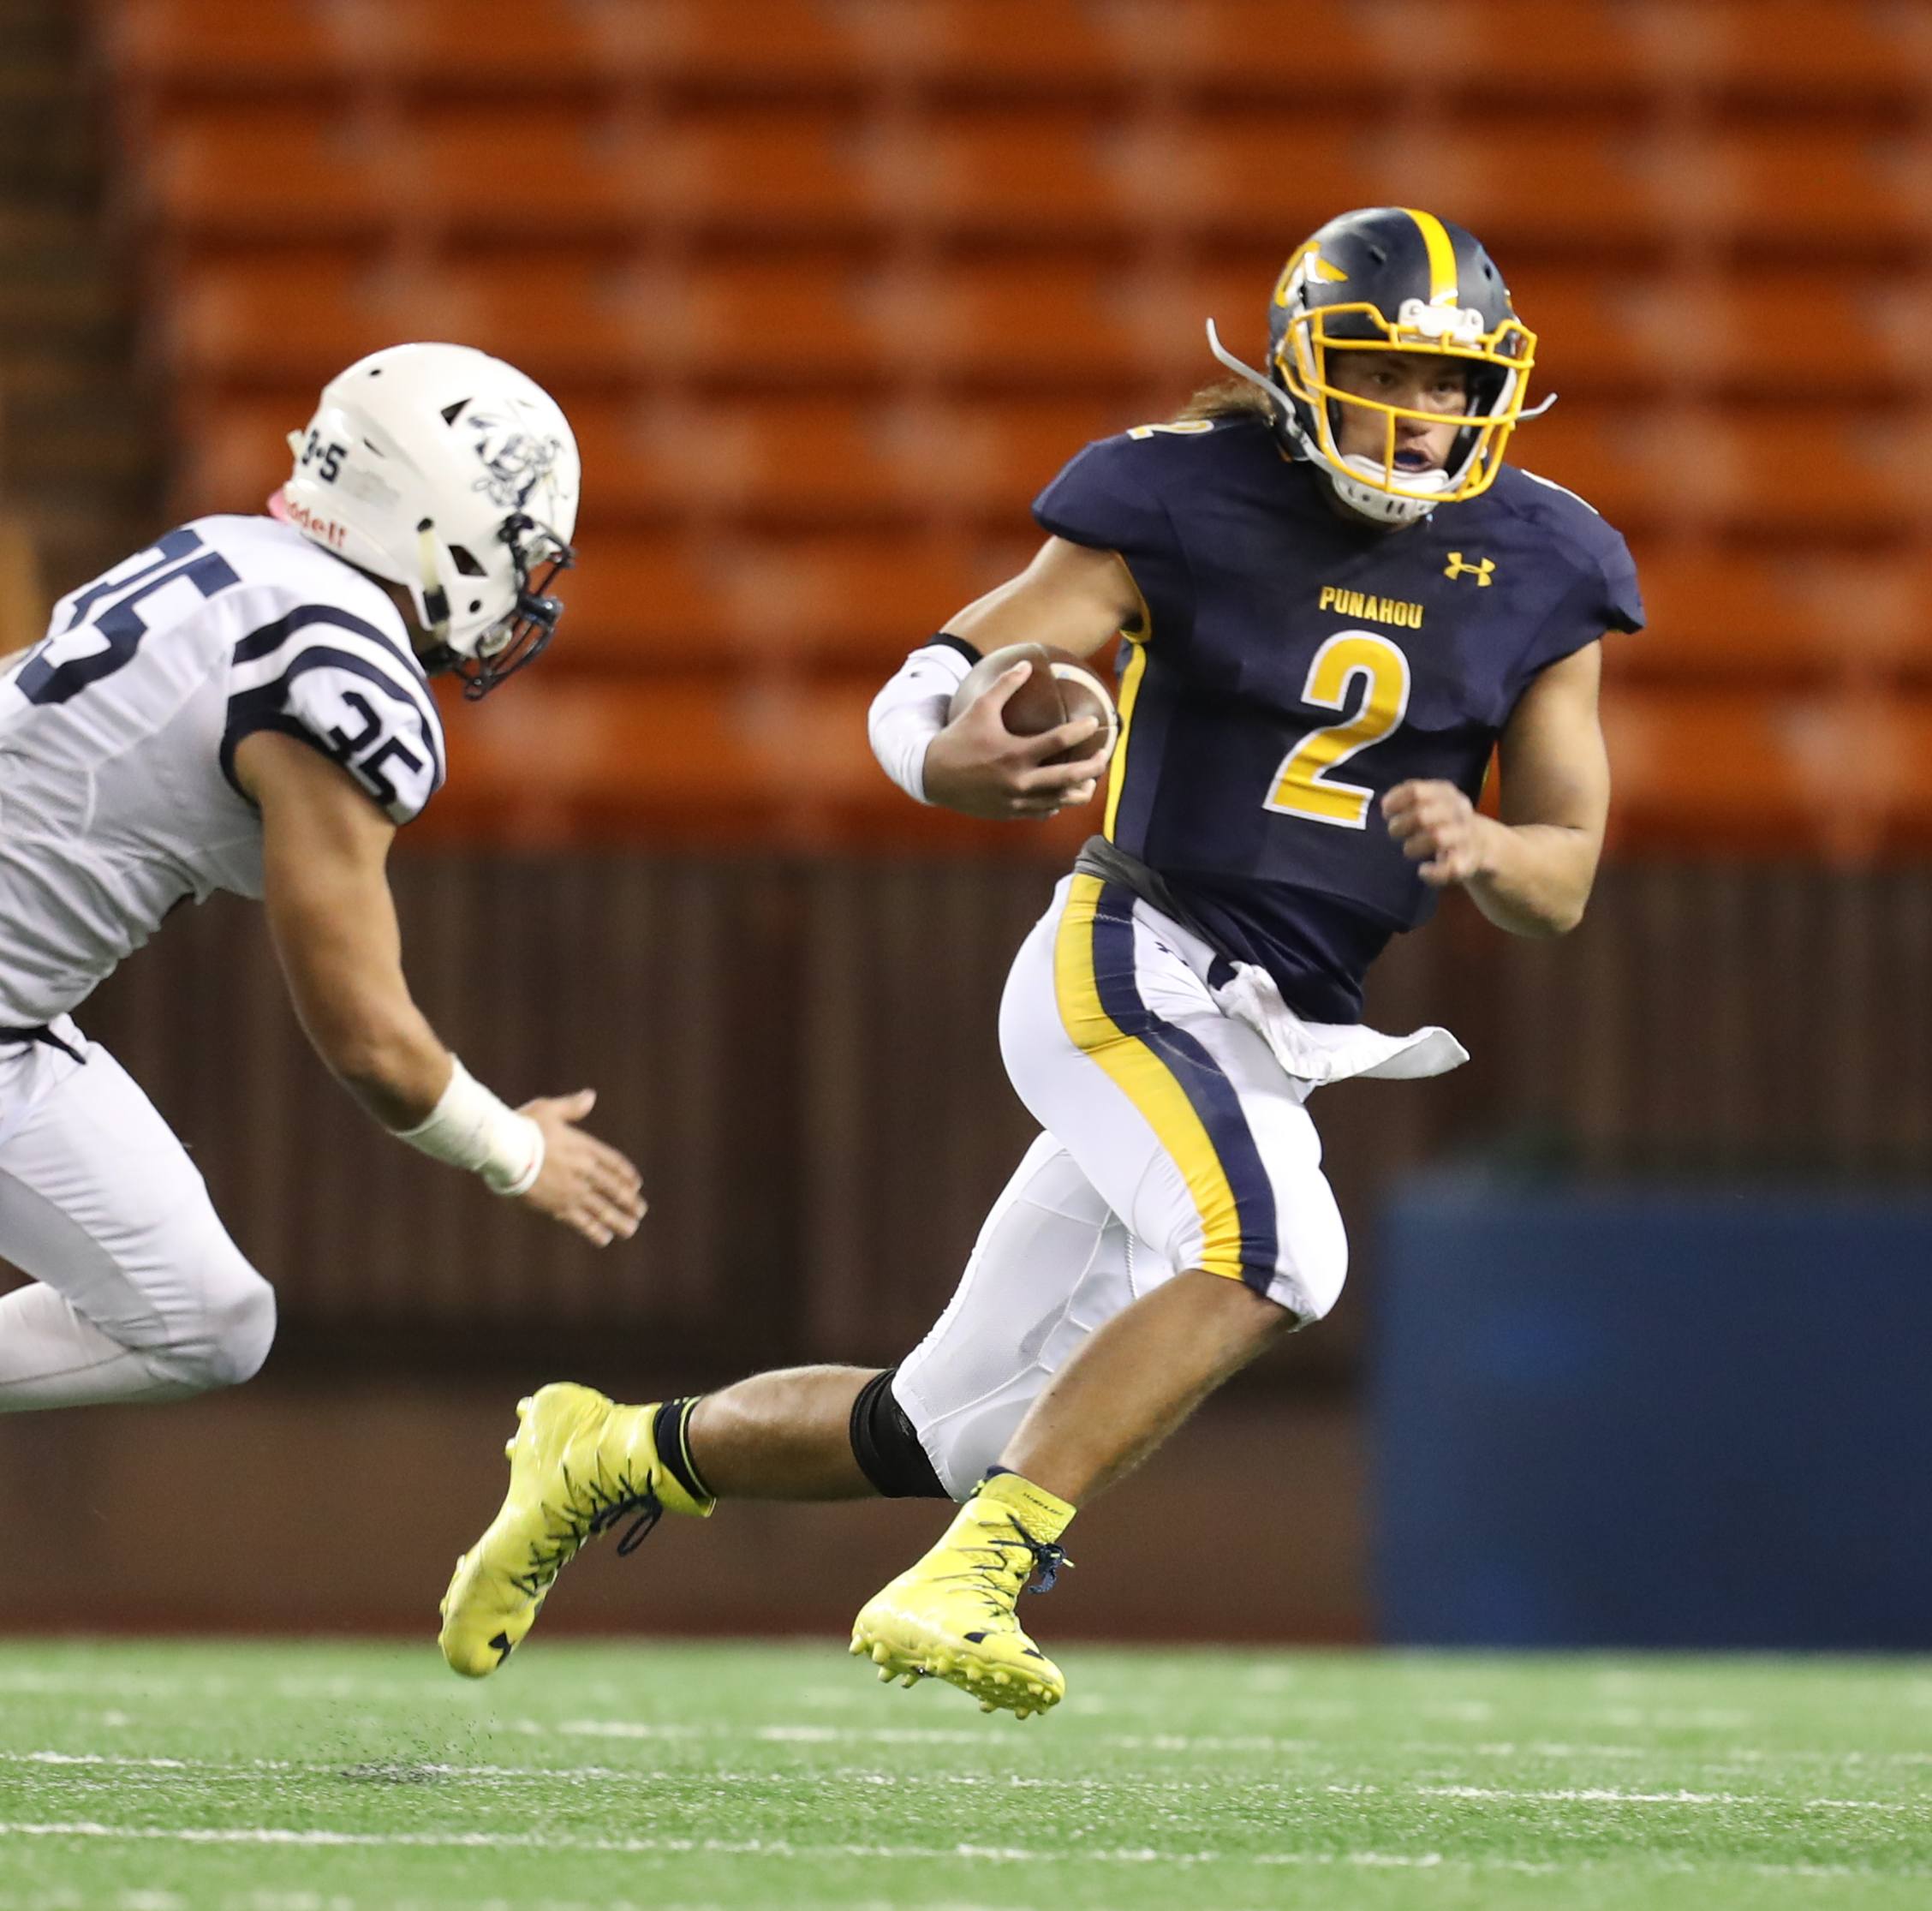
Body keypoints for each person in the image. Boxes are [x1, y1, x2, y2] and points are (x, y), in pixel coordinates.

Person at [436, 207, 1643, 1717]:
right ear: (1300, 365)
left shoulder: (1548, 561)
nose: (1422, 413)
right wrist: (942, 764)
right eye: (1388, 372)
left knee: (928, 1426)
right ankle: (980, 1568)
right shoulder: (1184, 493)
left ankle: (611, 1451)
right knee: (1278, 1254)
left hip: (1278, 1027)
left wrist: (1483, 845)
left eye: (1454, 385)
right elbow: (939, 673)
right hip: (1137, 958)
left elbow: (1568, 875)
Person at [0, 342, 644, 1412]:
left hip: (16, 1023)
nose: (521, 585)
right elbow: (372, 1044)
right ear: (447, 526)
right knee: (194, 1320)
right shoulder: (336, 673)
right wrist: (515, 1151)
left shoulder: (230, 553)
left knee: (206, 1311)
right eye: (516, 545)